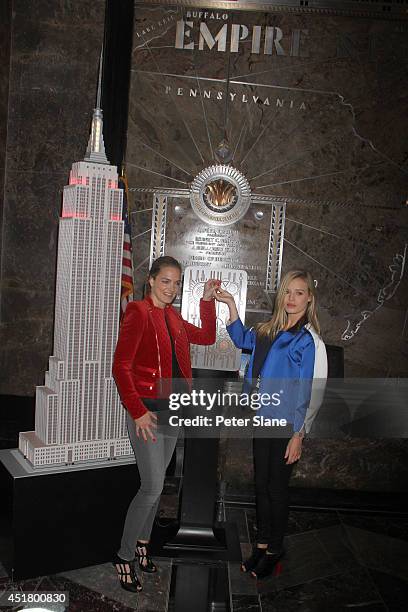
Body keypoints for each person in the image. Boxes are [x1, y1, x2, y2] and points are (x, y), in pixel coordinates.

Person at [112, 256, 218, 592]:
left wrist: (205, 301)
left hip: (174, 409)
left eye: (176, 282)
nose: (171, 288)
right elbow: (121, 367)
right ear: (151, 281)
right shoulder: (138, 313)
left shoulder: (172, 316)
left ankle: (144, 543)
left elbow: (205, 337)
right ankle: (124, 555)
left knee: (158, 485)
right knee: (152, 487)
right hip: (148, 413)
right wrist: (137, 410)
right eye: (165, 281)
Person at [215, 269, 327, 579]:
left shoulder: (308, 340)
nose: (292, 298)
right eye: (288, 291)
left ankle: (276, 549)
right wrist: (230, 306)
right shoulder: (269, 329)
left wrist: (299, 434)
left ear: (309, 298)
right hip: (263, 418)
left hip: (286, 425)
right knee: (262, 487)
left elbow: (310, 389)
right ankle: (263, 545)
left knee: (277, 489)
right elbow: (240, 338)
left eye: (299, 292)